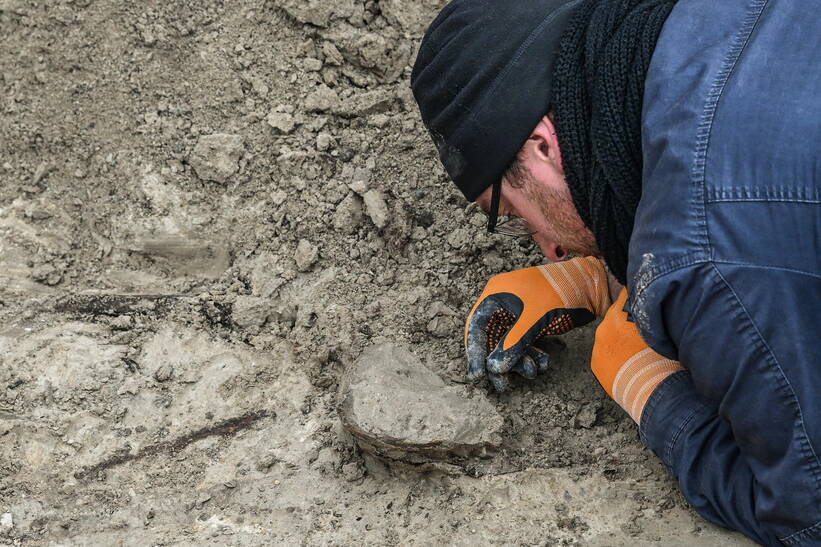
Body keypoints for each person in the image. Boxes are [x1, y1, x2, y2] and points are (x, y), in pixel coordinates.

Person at [410, 0, 821, 545]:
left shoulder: (709, 260)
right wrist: (605, 278)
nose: (550, 250)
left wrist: (652, 390)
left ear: (542, 146)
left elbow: (804, 510)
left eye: (513, 213)